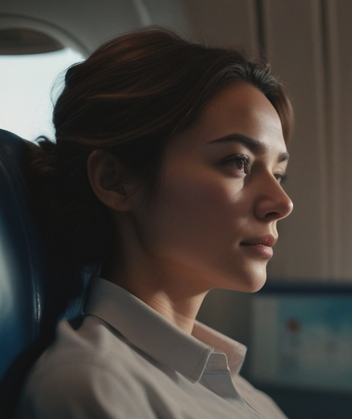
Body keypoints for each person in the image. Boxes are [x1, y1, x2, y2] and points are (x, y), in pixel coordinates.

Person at [15, 27, 293, 418]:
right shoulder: (94, 388)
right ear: (115, 181)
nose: (281, 203)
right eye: (238, 162)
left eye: (278, 174)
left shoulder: (245, 393)